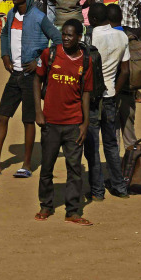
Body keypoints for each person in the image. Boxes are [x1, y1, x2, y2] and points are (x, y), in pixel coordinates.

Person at [0, 0, 62, 179]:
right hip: (15, 75)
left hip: (32, 78)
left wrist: (40, 61)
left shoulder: (39, 17)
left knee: (28, 121)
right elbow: (4, 35)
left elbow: (56, 39)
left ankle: (27, 164)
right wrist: (5, 55)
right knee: (1, 116)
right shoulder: (11, 14)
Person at [35, 18, 93, 224]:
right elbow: (37, 79)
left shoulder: (85, 61)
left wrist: (85, 122)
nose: (66, 38)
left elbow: (86, 93)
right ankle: (46, 205)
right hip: (50, 122)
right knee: (47, 166)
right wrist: (38, 111)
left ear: (79, 37)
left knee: (75, 168)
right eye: (64, 34)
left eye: (70, 35)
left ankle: (73, 210)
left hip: (74, 123)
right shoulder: (49, 54)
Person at [86, 3, 131, 200]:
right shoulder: (122, 36)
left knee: (93, 145)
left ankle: (97, 191)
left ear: (94, 20)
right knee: (111, 144)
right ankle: (119, 187)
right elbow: (126, 71)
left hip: (93, 99)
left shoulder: (91, 37)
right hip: (111, 96)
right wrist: (113, 91)